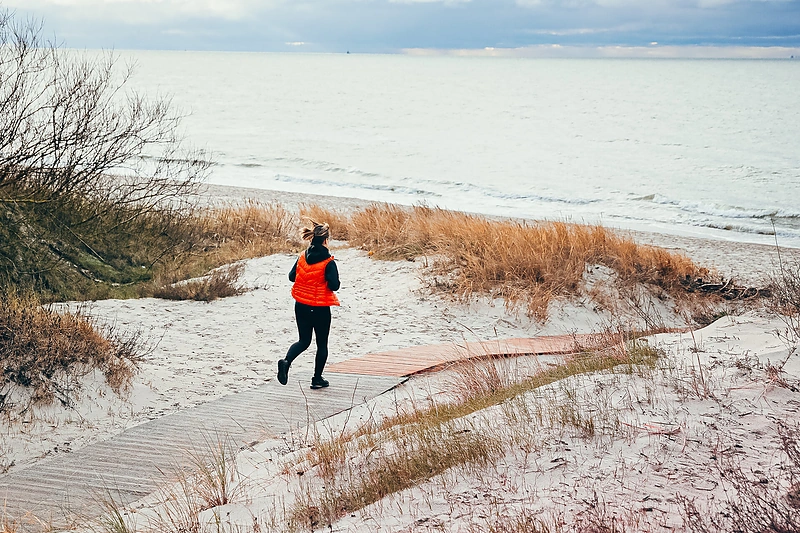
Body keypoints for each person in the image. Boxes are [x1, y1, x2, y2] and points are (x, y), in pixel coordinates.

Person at [277, 220, 340, 389]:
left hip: (301, 305)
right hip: (320, 308)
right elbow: (334, 286)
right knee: (322, 344)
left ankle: (286, 361)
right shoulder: (329, 262)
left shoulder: (302, 257)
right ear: (325, 240)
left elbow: (292, 277)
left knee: (304, 341)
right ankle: (317, 379)